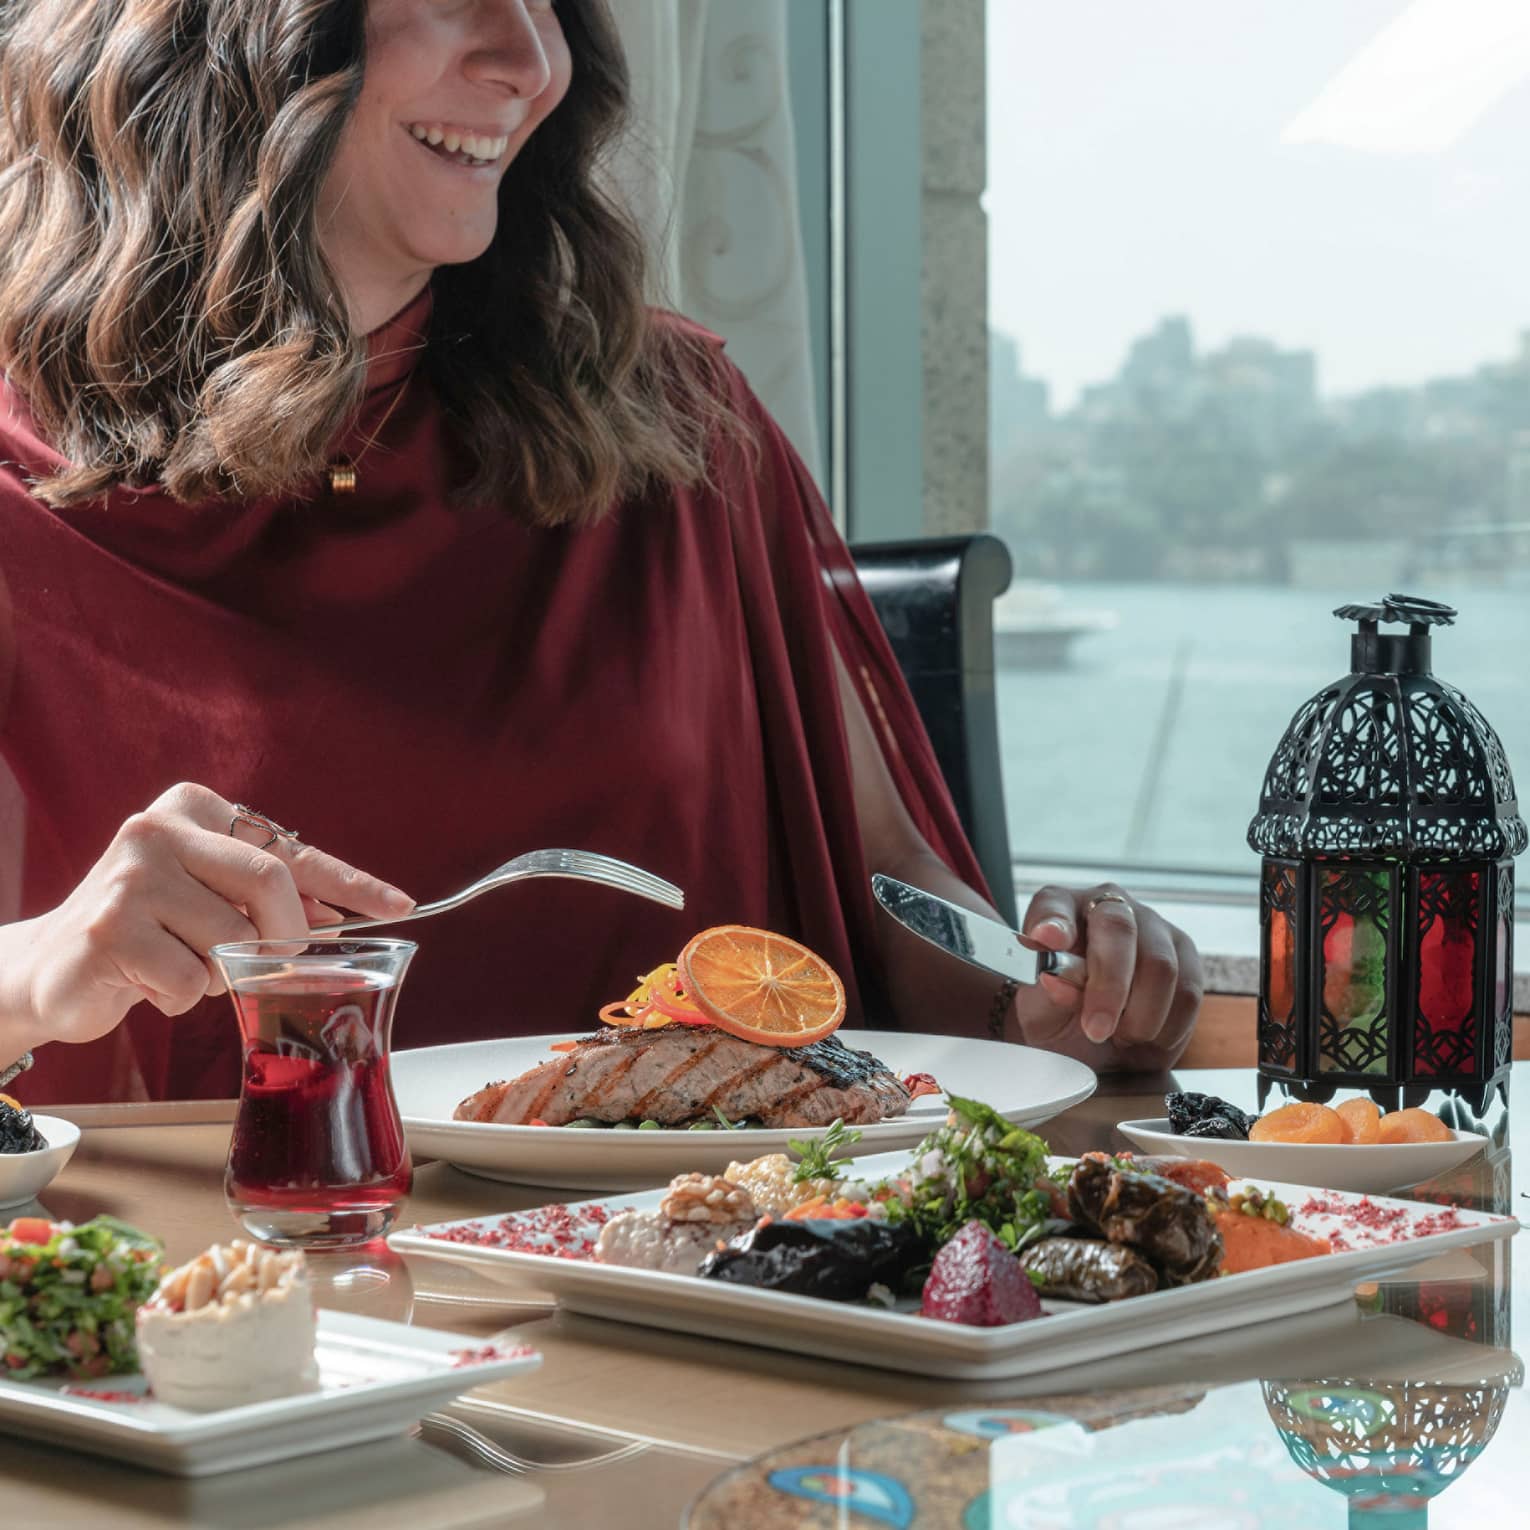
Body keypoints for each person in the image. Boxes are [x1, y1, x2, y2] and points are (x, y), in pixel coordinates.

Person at [0, 0, 1201, 1107]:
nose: (532, 62)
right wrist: (38, 968)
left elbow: (885, 893)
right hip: (214, 1296)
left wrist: (1061, 1003)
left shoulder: (676, 425)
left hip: (695, 1272)